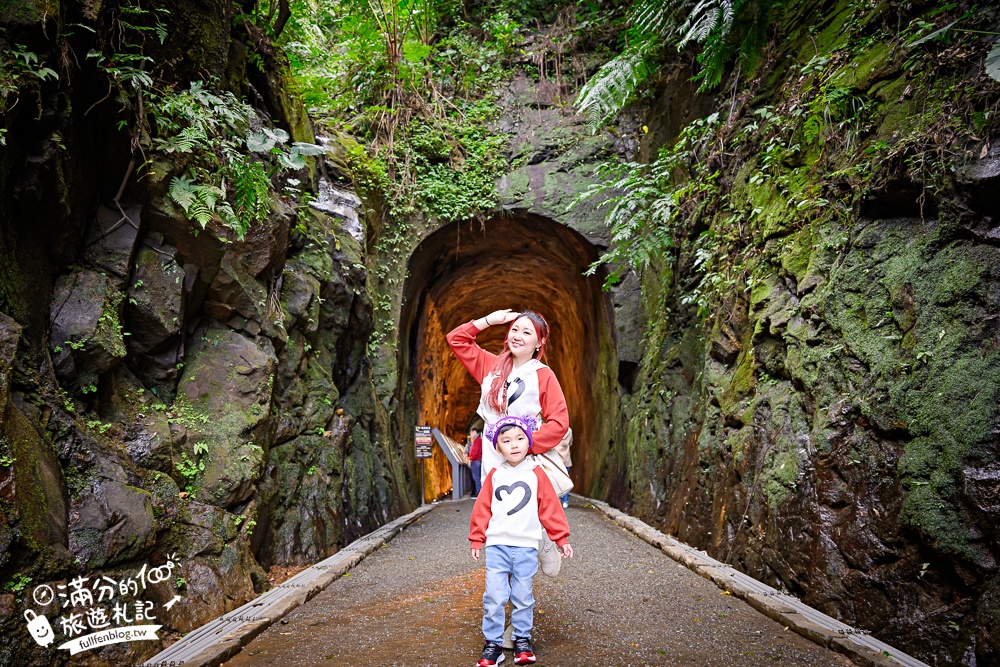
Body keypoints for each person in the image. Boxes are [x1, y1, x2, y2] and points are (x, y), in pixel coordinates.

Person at [447, 308, 570, 581]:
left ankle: (542, 540)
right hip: (492, 454)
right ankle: (506, 590)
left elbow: (558, 421)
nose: (518, 335)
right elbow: (456, 339)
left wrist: (526, 445)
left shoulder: (543, 375)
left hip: (524, 455)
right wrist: (488, 320)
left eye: (527, 332)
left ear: (539, 342)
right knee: (499, 520)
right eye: (515, 329)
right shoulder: (490, 366)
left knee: (525, 514)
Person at [469, 415, 573, 666]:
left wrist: (562, 538)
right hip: (497, 546)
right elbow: (483, 508)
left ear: (529, 442)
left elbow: (550, 508)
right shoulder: (494, 475)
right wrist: (476, 538)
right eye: (506, 440)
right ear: (498, 447)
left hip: (526, 546)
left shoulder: (537, 473)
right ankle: (492, 643)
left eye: (519, 438)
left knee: (523, 595)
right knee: (494, 595)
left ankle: (521, 639)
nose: (514, 444)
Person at [555, 427, 572, 508]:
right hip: (566, 461)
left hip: (556, 460)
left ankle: (557, 500)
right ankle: (565, 501)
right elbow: (571, 442)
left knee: (556, 482)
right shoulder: (569, 430)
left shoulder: (554, 429)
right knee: (565, 482)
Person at [468, 427, 483, 498]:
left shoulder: (477, 440)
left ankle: (478, 492)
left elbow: (475, 451)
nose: (470, 434)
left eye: (471, 432)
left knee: (476, 477)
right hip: (476, 460)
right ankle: (478, 491)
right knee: (476, 477)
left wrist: (470, 459)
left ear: (474, 432)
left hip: (475, 461)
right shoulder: (477, 440)